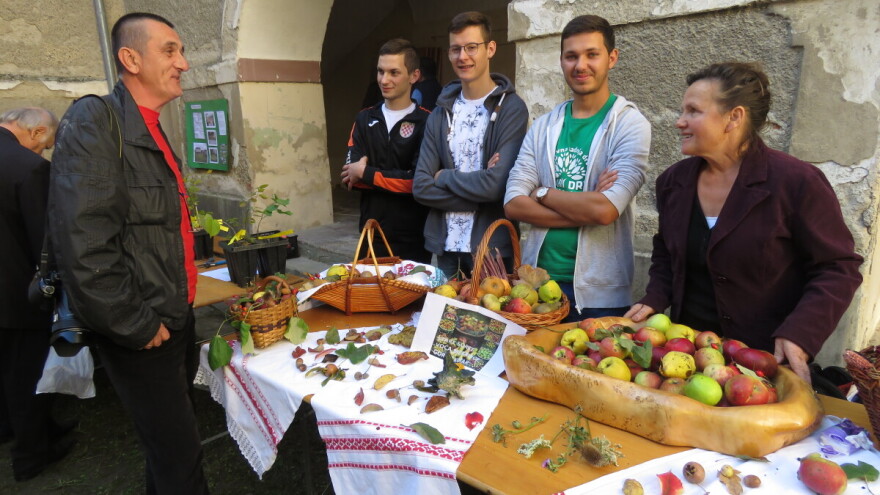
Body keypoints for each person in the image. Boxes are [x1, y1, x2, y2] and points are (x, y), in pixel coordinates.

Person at [48, 13, 209, 493]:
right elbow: (84, 244)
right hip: (142, 327)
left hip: (172, 316)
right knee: (180, 456)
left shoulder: (153, 126)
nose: (182, 62)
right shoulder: (96, 119)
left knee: (169, 452)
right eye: (169, 50)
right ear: (131, 58)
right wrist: (136, 324)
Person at [624, 62, 863, 384]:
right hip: (689, 362)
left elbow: (838, 268)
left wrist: (801, 333)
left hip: (764, 363)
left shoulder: (795, 182)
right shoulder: (672, 183)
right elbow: (666, 253)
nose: (680, 122)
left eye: (693, 111)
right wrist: (654, 298)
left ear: (734, 117)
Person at [504, 15, 651, 322]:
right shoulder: (543, 126)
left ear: (612, 58)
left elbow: (605, 212)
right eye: (571, 56)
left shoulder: (628, 124)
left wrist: (542, 192)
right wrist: (586, 206)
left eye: (591, 54)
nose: (580, 65)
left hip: (600, 296)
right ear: (561, 61)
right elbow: (513, 204)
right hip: (536, 287)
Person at [413, 11, 528, 277]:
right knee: (445, 318)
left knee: (490, 319)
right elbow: (421, 187)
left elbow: (496, 186)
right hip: (445, 249)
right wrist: (480, 191)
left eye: (471, 47)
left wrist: (443, 176)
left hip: (492, 250)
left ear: (490, 49)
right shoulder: (441, 111)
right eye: (455, 49)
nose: (462, 56)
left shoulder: (511, 108)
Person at [0, 107, 78, 481]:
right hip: (15, 294)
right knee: (27, 373)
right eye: (44, 146)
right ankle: (31, 455)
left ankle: (17, 429)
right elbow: (43, 241)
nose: (43, 153)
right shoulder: (28, 168)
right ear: (36, 132)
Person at [341, 38, 432, 264]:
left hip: (413, 238)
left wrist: (366, 172)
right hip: (371, 234)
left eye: (394, 72)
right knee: (368, 298)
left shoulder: (427, 122)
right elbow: (349, 179)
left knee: (412, 299)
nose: (384, 80)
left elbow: (417, 183)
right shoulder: (364, 118)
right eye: (380, 72)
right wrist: (365, 174)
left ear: (414, 76)